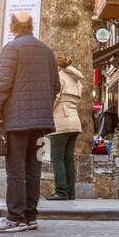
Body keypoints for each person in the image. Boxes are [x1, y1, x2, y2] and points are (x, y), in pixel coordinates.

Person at [0, 12, 59, 232]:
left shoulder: (12, 48)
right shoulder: (47, 51)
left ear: (12, 26)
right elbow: (56, 86)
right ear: (31, 26)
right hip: (40, 124)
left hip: (17, 122)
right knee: (33, 168)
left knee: (16, 168)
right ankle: (30, 216)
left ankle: (15, 218)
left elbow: (3, 84)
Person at [47, 55, 84, 201]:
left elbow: (55, 99)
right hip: (75, 121)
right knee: (68, 158)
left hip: (60, 121)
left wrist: (46, 113)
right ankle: (70, 191)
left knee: (57, 157)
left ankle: (61, 191)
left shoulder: (59, 77)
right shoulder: (76, 79)